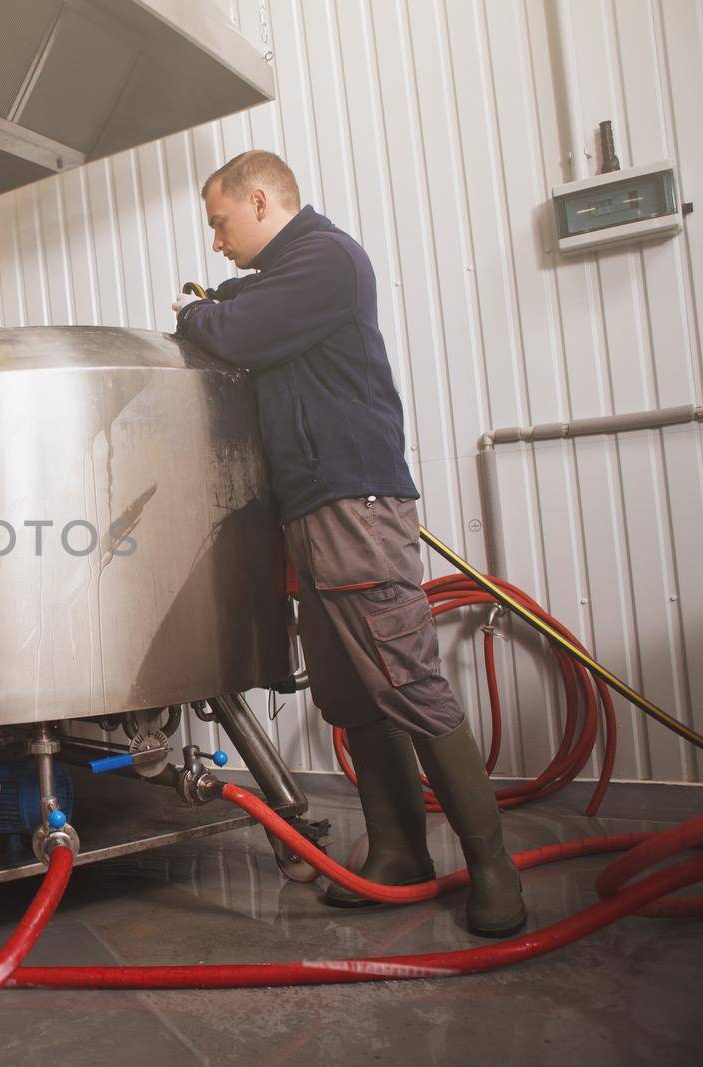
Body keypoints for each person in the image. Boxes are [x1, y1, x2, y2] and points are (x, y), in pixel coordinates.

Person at [172, 149, 525, 938]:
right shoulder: (290, 275)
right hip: (313, 508)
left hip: (353, 504)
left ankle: (494, 866)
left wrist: (197, 314)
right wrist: (220, 301)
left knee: (404, 678)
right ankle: (399, 853)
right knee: (350, 691)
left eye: (222, 223)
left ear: (260, 202)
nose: (218, 242)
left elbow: (234, 329)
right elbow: (243, 307)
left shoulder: (326, 260)